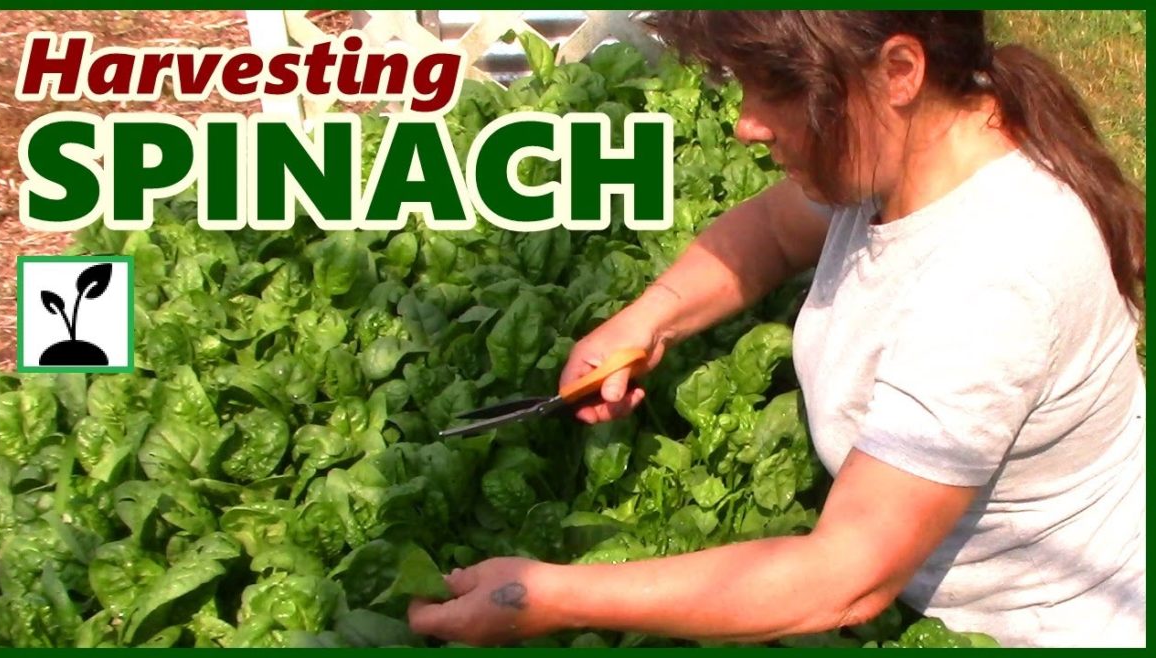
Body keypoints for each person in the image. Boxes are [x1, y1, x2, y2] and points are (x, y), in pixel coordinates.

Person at [407, 10, 1146, 648]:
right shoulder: (922, 142)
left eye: (776, 89)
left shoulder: (992, 285)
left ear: (899, 70)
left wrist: (546, 597)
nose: (745, 123)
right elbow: (774, 231)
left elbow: (842, 578)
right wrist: (644, 320)